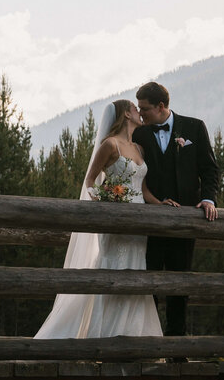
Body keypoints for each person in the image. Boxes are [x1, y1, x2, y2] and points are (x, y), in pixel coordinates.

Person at [35, 99, 162, 340]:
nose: (139, 112)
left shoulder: (139, 149)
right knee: (112, 271)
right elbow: (90, 180)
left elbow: (142, 190)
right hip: (115, 220)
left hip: (140, 223)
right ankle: (104, 336)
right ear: (126, 114)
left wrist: (161, 204)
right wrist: (103, 202)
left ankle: (132, 336)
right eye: (136, 109)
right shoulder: (109, 145)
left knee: (136, 272)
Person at [133, 80, 220, 336]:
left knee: (180, 283)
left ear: (161, 106)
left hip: (185, 221)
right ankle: (148, 339)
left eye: (145, 109)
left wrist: (209, 199)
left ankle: (176, 347)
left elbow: (209, 168)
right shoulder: (139, 133)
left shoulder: (193, 127)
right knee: (148, 283)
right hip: (149, 221)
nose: (140, 114)